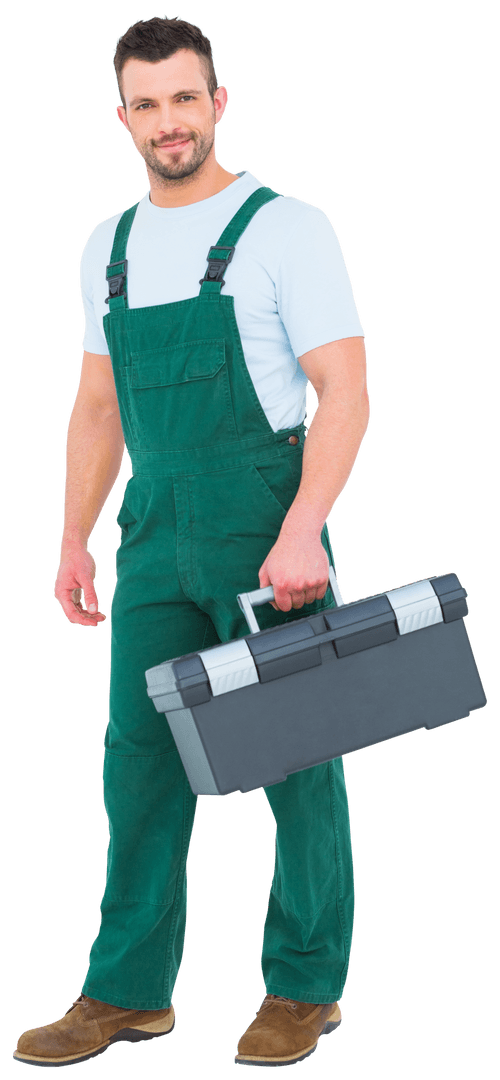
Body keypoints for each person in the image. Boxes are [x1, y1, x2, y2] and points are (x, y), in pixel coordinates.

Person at [13, 16, 369, 1070]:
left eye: (184, 98)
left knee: (296, 765)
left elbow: (342, 390)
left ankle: (304, 985)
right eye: (145, 103)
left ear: (216, 103)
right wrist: (72, 538)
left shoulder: (285, 227)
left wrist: (303, 527)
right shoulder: (107, 245)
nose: (167, 121)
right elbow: (94, 406)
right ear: (121, 117)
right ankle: (127, 991)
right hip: (152, 535)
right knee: (138, 766)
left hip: (267, 536)